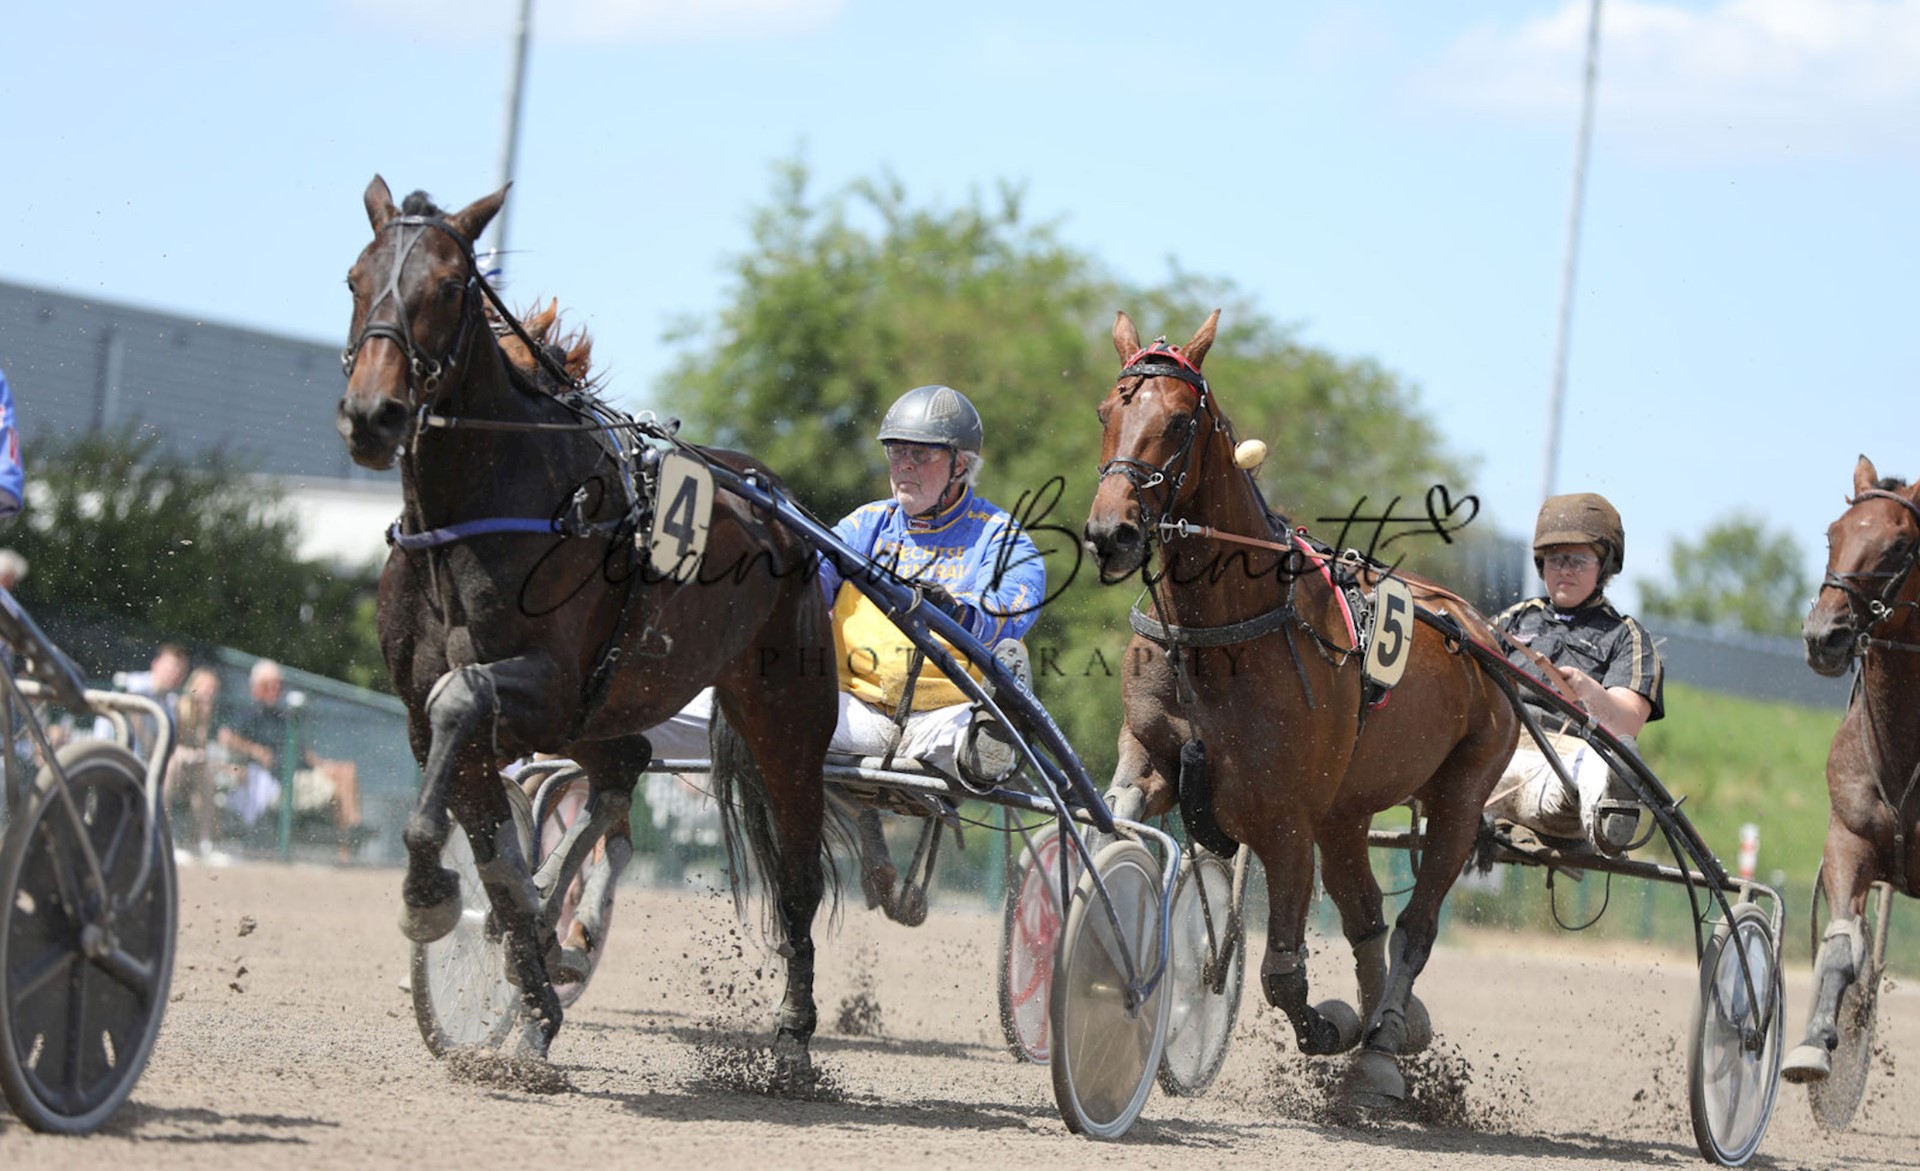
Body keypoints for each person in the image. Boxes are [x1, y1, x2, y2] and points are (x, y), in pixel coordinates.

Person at [646, 384, 1045, 789]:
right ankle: (605, 718)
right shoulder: (866, 524)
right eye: (896, 451)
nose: (903, 465)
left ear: (960, 464)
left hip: (944, 716)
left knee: (966, 738)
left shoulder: (999, 535)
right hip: (848, 710)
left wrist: (957, 612)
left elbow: (1011, 613)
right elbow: (809, 582)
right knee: (690, 703)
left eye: (920, 454)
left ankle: (992, 737)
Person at [1483, 492, 1665, 855]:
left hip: (1566, 768)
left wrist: (1587, 691)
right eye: (1555, 559)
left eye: (1578, 560)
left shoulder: (1626, 636)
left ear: (1604, 567)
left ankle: (1609, 818)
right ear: (1541, 564)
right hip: (1498, 755)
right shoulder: (1510, 622)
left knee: (1604, 762)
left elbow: (1627, 724)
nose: (1565, 569)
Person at [219, 659, 365, 853]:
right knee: (340, 788)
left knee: (347, 771)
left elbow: (301, 752)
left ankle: (352, 833)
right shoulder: (249, 713)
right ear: (255, 687)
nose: (275, 689)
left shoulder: (284, 717)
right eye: (268, 685)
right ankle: (348, 841)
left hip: (300, 772)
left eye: (278, 685)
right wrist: (255, 750)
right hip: (280, 780)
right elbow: (226, 736)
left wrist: (324, 765)